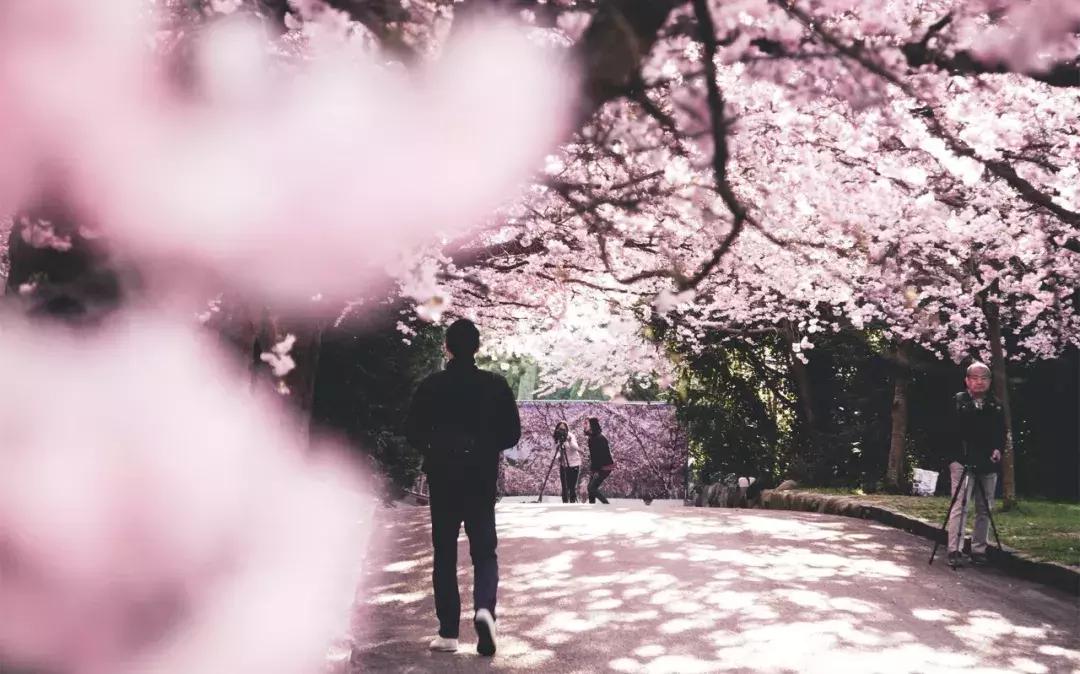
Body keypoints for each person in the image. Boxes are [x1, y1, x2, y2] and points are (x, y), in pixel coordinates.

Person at [406, 319, 521, 656]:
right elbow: (512, 433)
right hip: (480, 477)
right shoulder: (495, 385)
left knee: (444, 553)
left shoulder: (432, 385)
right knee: (484, 551)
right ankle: (484, 609)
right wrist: (484, 446)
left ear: (448, 347)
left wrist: (437, 445)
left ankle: (448, 633)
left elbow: (412, 430)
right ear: (478, 347)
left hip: (443, 476)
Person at [943, 361, 1005, 569]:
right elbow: (948, 431)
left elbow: (1001, 432)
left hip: (987, 462)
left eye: (984, 378)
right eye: (975, 378)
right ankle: (955, 549)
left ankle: (979, 549)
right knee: (960, 505)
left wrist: (998, 449)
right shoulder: (957, 402)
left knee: (985, 507)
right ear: (967, 381)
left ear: (989, 381)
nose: (979, 382)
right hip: (962, 460)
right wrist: (953, 458)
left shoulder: (996, 405)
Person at [584, 417, 614, 504]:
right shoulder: (592, 438)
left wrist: (596, 470)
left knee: (591, 488)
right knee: (591, 489)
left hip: (605, 467)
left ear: (592, 426)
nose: (584, 426)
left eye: (587, 424)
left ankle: (606, 505)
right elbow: (594, 456)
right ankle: (592, 507)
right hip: (598, 467)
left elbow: (601, 456)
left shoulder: (599, 438)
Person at [553, 421, 582, 503]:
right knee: (564, 487)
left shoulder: (570, 436)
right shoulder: (556, 437)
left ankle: (572, 505)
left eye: (564, 429)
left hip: (574, 464)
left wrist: (569, 441)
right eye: (560, 429)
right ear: (557, 429)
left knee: (572, 487)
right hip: (563, 464)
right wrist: (559, 456)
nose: (562, 431)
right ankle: (564, 504)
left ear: (566, 429)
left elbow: (575, 448)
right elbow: (554, 450)